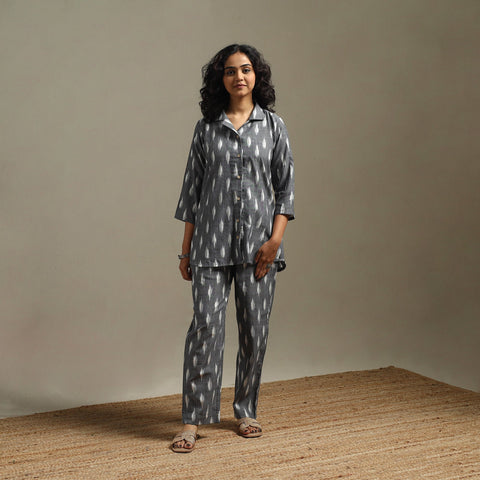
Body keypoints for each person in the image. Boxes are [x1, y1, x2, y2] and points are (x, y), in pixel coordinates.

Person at [172, 44, 295, 453]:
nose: (238, 76)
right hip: (209, 245)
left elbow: (285, 190)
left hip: (259, 249)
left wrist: (275, 241)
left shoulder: (273, 126)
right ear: (220, 79)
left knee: (255, 331)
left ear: (257, 75)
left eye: (245, 69)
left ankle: (245, 410)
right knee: (205, 328)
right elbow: (191, 193)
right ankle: (192, 419)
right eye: (229, 71)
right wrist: (185, 250)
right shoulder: (206, 128)